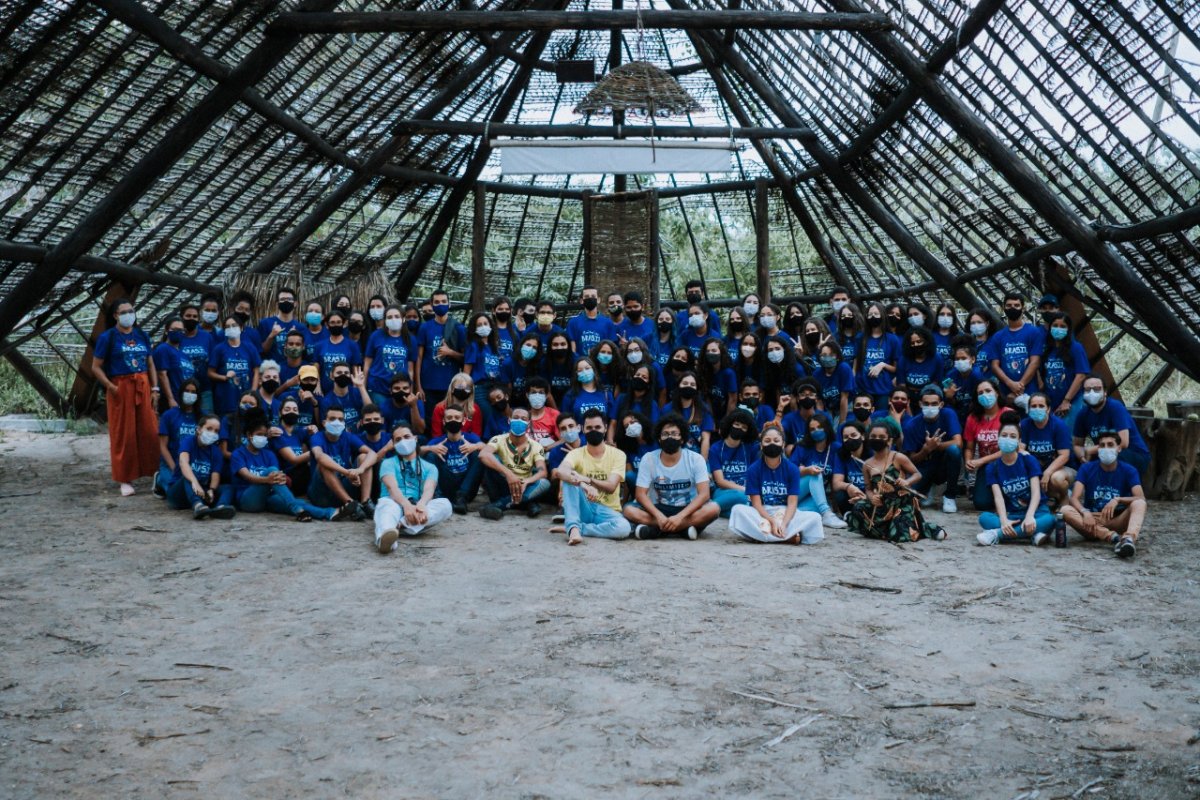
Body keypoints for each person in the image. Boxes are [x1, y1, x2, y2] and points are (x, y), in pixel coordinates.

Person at [91, 297, 160, 496]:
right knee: (124, 433)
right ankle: (125, 478)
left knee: (149, 431)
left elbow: (150, 364)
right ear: (115, 316)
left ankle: (154, 472)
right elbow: (95, 367)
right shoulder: (108, 337)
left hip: (143, 385)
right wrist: (111, 387)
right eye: (123, 312)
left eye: (131, 311)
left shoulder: (142, 335)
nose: (129, 315)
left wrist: (155, 389)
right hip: (120, 387)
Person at [846, 420, 947, 542]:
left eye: (881, 437)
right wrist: (872, 497)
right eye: (873, 436)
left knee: (899, 535)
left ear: (889, 440)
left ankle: (926, 528)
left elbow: (917, 474)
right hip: (882, 504)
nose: (877, 439)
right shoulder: (867, 464)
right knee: (858, 508)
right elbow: (868, 488)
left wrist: (907, 482)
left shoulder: (898, 457)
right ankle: (887, 529)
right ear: (868, 439)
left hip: (901, 503)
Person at [623, 414, 721, 540]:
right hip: (658, 508)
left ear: (682, 439)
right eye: (665, 434)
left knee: (713, 509)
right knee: (628, 510)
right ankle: (684, 529)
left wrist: (679, 517)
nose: (670, 437)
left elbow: (704, 495)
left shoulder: (696, 459)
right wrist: (659, 516)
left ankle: (658, 530)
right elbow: (640, 494)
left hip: (687, 509)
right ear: (659, 439)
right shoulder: (648, 459)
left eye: (674, 434)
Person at [729, 426, 824, 544]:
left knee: (815, 517)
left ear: (783, 444)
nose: (772, 444)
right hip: (762, 513)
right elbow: (756, 504)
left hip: (785, 512)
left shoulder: (792, 469)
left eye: (776, 441)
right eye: (767, 441)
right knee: (737, 510)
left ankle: (764, 535)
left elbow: (792, 503)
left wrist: (783, 523)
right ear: (761, 445)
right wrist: (772, 521)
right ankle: (786, 537)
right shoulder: (753, 469)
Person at [232, 414, 335, 521]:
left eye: (265, 435)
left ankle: (330, 513)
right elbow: (246, 475)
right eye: (259, 434)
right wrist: (267, 479)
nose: (262, 438)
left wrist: (275, 479)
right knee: (272, 472)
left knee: (298, 502)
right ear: (249, 435)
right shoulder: (238, 454)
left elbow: (277, 477)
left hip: (268, 497)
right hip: (248, 500)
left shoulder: (269, 454)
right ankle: (298, 510)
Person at [552, 408, 631, 544]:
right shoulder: (575, 453)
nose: (593, 430)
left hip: (608, 511)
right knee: (568, 477)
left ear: (605, 428)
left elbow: (611, 486)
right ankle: (573, 530)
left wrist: (587, 479)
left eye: (597, 427)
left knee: (623, 528)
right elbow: (561, 472)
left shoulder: (618, 455)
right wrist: (583, 485)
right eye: (589, 428)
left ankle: (578, 528)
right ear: (583, 429)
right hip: (584, 506)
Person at [1063, 430, 1146, 558]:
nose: (1105, 449)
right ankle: (1115, 538)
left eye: (1110, 445)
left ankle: (1128, 539)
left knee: (1139, 504)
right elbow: (1074, 498)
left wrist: (1118, 499)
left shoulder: (1129, 470)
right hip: (1091, 521)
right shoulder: (1087, 468)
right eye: (1102, 445)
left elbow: (1140, 497)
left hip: (1117, 519)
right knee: (1065, 510)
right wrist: (1085, 512)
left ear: (1118, 448)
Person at [373, 423, 454, 553]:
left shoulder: (429, 467)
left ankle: (400, 525)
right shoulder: (387, 463)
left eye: (406, 437)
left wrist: (421, 504)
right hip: (394, 502)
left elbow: (429, 489)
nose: (403, 441)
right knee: (386, 506)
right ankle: (386, 540)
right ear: (393, 444)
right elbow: (391, 488)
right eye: (398, 440)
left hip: (416, 508)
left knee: (445, 504)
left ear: (415, 439)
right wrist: (406, 505)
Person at [975, 414, 1054, 546]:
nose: (1008, 439)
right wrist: (1004, 520)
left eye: (1013, 437)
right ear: (998, 438)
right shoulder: (992, 467)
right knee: (984, 518)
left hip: (1037, 512)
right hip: (1014, 515)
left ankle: (996, 535)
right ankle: (1032, 534)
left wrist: (1029, 516)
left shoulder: (1029, 460)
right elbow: (998, 497)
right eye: (1004, 435)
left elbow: (1036, 493)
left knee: (1050, 520)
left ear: (1019, 441)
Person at [479, 407, 552, 519]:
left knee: (545, 483)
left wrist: (527, 481)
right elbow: (483, 454)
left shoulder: (536, 446)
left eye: (523, 419)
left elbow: (543, 471)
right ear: (509, 420)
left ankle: (501, 505)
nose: (519, 421)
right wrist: (509, 474)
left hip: (523, 488)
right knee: (491, 457)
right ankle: (528, 503)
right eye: (516, 418)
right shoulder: (498, 439)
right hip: (502, 484)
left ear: (528, 423)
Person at [308, 405, 378, 520]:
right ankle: (351, 505)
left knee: (364, 457)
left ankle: (365, 502)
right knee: (324, 464)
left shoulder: (348, 436)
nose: (337, 422)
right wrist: (347, 472)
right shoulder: (317, 437)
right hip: (321, 493)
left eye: (340, 419)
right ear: (324, 423)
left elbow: (372, 454)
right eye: (332, 419)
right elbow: (320, 456)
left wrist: (359, 470)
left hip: (342, 485)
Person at [1072, 376, 1151, 476]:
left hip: (1131, 453)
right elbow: (1077, 444)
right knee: (1073, 458)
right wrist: (1082, 456)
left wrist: (1091, 450)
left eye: (1097, 389)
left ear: (1105, 392)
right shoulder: (1083, 414)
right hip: (1103, 452)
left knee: (1111, 459)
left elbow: (1123, 442)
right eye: (1087, 390)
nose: (1092, 393)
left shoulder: (1115, 407)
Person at [902, 384, 963, 514]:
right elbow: (911, 459)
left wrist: (936, 446)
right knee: (907, 498)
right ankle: (927, 487)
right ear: (920, 404)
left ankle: (950, 496)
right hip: (923, 467)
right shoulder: (911, 425)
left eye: (934, 403)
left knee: (954, 451)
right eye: (926, 403)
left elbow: (958, 443)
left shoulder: (948, 414)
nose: (930, 407)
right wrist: (926, 449)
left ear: (941, 404)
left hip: (943, 464)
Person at [164, 414, 236, 519]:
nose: (212, 433)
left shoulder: (216, 451)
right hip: (179, 493)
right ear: (199, 429)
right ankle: (198, 506)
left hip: (202, 491)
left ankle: (221, 507)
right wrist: (194, 483)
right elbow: (183, 462)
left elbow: (215, 474)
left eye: (216, 431)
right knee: (188, 476)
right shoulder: (188, 441)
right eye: (209, 429)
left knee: (228, 487)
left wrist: (211, 489)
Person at [421, 403, 484, 514]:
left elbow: (487, 447)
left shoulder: (471, 437)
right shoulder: (438, 440)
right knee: (430, 455)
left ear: (463, 421)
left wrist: (475, 446)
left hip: (466, 488)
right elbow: (416, 452)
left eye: (457, 417)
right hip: (446, 484)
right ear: (444, 422)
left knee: (480, 456)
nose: (453, 420)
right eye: (449, 418)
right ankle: (437, 496)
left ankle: (461, 498)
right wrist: (431, 448)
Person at [789, 413, 848, 528]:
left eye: (820, 427)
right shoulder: (802, 447)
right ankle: (827, 514)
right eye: (812, 429)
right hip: (796, 491)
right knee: (815, 474)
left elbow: (837, 476)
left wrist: (836, 507)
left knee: (818, 507)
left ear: (827, 428)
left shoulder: (836, 448)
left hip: (814, 496)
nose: (816, 431)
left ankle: (786, 511)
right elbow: (789, 473)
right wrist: (806, 470)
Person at [415, 290, 465, 419]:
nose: (440, 304)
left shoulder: (458, 328)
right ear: (431, 305)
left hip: (450, 386)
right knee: (430, 421)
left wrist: (450, 352)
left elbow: (465, 359)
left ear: (449, 304)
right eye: (436, 302)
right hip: (428, 385)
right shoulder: (424, 328)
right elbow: (419, 358)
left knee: (449, 419)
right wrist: (418, 386)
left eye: (443, 301)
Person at [1020, 392, 1075, 505]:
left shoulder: (1059, 425)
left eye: (1041, 406)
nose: (1037, 409)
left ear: (1048, 409)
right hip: (1036, 467)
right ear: (1029, 409)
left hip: (1062, 468)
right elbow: (1020, 450)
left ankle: (1064, 497)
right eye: (1033, 406)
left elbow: (1064, 455)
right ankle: (1049, 497)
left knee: (1056, 478)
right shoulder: (1024, 425)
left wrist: (1048, 472)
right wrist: (1034, 468)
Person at [987, 293, 1042, 404]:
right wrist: (1010, 384)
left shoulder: (1033, 332)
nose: (1013, 308)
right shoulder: (997, 337)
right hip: (1006, 393)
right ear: (1004, 308)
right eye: (1009, 305)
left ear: (1023, 308)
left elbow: (1035, 362)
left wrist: (1019, 387)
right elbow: (994, 365)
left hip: (1030, 392)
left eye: (1016, 305)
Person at [1040, 312, 1089, 428]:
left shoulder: (1076, 348)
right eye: (1055, 325)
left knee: (1068, 436)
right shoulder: (1047, 349)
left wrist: (1067, 400)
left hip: (1071, 402)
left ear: (1068, 329)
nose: (1058, 329)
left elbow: (1081, 375)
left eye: (1062, 326)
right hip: (1050, 400)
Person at [207, 314, 261, 416]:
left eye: (234, 325)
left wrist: (253, 392)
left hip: (247, 399)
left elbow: (256, 370)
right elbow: (210, 373)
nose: (231, 328)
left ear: (241, 328)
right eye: (227, 327)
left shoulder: (250, 347)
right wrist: (224, 377)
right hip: (226, 399)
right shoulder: (219, 349)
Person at [708, 409, 759, 517]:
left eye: (744, 427)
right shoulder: (715, 448)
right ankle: (709, 509)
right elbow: (720, 481)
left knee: (746, 508)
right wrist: (744, 490)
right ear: (729, 424)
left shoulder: (750, 448)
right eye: (737, 424)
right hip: (723, 491)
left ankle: (713, 512)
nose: (740, 428)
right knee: (742, 498)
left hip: (746, 492)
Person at [963, 378, 1005, 509]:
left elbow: (1014, 448)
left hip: (1008, 464)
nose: (984, 395)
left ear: (997, 393)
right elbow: (969, 447)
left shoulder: (1008, 414)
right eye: (980, 393)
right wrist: (969, 461)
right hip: (987, 467)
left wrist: (980, 461)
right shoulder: (972, 418)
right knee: (981, 503)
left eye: (988, 391)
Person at [363, 304, 414, 409]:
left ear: (403, 319)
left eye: (397, 316)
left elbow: (410, 370)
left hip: (400, 389)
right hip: (377, 387)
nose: (393, 319)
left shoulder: (410, 339)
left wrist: (411, 391)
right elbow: (367, 365)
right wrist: (363, 387)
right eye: (389, 317)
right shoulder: (376, 336)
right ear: (385, 320)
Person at [156, 377, 200, 497]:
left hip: (195, 464)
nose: (190, 394)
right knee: (175, 492)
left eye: (193, 392)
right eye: (187, 391)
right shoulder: (169, 415)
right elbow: (162, 446)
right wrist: (175, 468)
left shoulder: (202, 417)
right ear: (181, 393)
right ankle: (159, 479)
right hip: (172, 463)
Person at [858, 301, 901, 407]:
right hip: (863, 388)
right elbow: (855, 364)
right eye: (870, 314)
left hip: (883, 389)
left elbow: (897, 369)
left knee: (880, 421)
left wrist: (882, 365)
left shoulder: (892, 339)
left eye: (876, 314)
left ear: (882, 315)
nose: (873, 317)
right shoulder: (860, 338)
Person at [178, 302, 215, 413]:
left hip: (204, 389)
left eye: (195, 316)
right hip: (181, 389)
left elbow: (213, 360)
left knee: (206, 420)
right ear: (181, 318)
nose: (191, 319)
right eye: (188, 316)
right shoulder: (177, 336)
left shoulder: (206, 336)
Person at [272, 396, 314, 492]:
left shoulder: (298, 432)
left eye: (295, 410)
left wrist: (314, 429)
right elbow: (293, 460)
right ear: (280, 413)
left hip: (301, 475)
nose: (292, 412)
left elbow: (317, 438)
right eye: (287, 409)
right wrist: (317, 452)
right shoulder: (277, 432)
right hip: (285, 478)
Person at [152, 316, 193, 411]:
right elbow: (162, 374)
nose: (178, 332)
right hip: (170, 401)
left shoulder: (184, 355)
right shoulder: (163, 349)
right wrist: (171, 399)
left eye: (181, 330)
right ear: (166, 331)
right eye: (174, 329)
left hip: (184, 400)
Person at [463, 311, 503, 404]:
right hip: (480, 388)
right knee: (488, 416)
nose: (483, 326)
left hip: (495, 387)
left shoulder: (493, 347)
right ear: (474, 328)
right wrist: (467, 393)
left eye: (485, 323)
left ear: (490, 326)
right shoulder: (473, 346)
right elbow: (466, 372)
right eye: (479, 325)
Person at [319, 363, 370, 432]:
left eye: (346, 373)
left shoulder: (357, 392)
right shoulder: (326, 401)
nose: (343, 375)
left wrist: (361, 386)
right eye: (339, 373)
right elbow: (327, 427)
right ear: (331, 376)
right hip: (340, 437)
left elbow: (371, 411)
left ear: (350, 376)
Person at [566, 285, 616, 354]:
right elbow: (572, 350)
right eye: (586, 297)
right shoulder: (573, 322)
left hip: (601, 363)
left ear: (598, 300)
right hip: (580, 363)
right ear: (581, 300)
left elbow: (611, 349)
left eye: (593, 296)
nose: (590, 298)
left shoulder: (608, 323)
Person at [812, 340, 853, 422]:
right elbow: (819, 401)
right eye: (824, 355)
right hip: (828, 408)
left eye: (831, 355)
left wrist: (842, 422)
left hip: (846, 405)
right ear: (819, 358)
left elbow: (844, 397)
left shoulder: (844, 368)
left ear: (837, 357)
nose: (827, 358)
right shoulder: (816, 374)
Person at [697, 336, 738, 419]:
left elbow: (733, 399)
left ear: (721, 352)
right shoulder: (705, 372)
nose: (710, 353)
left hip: (727, 415)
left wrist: (726, 422)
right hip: (711, 414)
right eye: (708, 351)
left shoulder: (728, 373)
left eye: (714, 350)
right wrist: (711, 420)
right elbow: (707, 397)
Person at [430, 373, 481, 438]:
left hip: (468, 445)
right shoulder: (439, 408)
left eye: (467, 388)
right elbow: (436, 435)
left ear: (471, 391)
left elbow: (476, 435)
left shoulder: (474, 409)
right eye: (459, 387)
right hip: (443, 444)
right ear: (452, 388)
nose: (463, 390)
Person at [831, 421, 867, 513]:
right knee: (840, 494)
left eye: (854, 435)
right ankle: (847, 514)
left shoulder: (872, 453)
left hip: (871, 495)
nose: (850, 439)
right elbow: (836, 483)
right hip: (852, 495)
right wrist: (849, 487)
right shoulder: (840, 454)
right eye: (846, 437)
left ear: (862, 436)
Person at [379, 372, 426, 437]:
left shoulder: (417, 403)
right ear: (390, 390)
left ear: (410, 390)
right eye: (397, 388)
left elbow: (420, 431)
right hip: (392, 440)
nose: (401, 391)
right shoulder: (383, 406)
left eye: (405, 388)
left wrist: (413, 406)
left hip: (413, 439)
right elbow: (382, 434)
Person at [525, 377, 560, 444]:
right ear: (527, 395)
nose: (537, 395)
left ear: (546, 395)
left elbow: (563, 440)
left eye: (541, 392)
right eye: (533, 392)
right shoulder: (522, 417)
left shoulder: (554, 415)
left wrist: (548, 447)